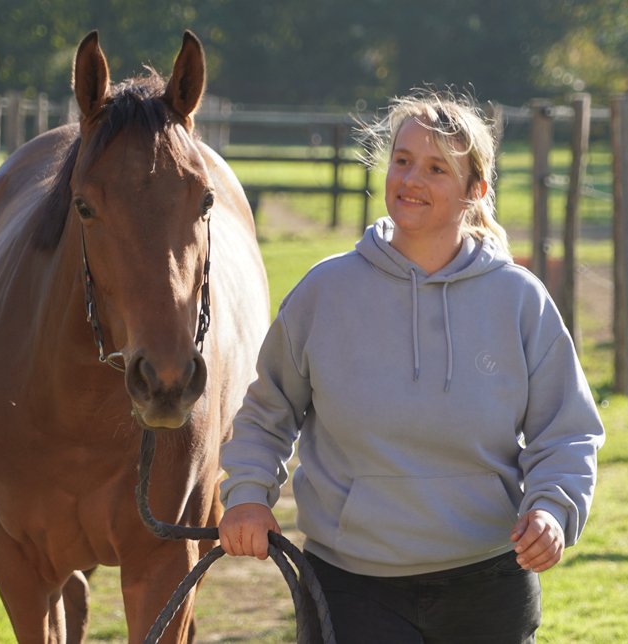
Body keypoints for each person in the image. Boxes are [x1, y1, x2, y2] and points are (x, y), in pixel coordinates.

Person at [217, 89, 605, 643]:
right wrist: (248, 495)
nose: (410, 180)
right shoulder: (325, 292)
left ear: (475, 190)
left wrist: (551, 509)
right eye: (402, 161)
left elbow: (567, 431)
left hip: (490, 581)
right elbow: (266, 414)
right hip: (350, 585)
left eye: (435, 168)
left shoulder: (520, 300)